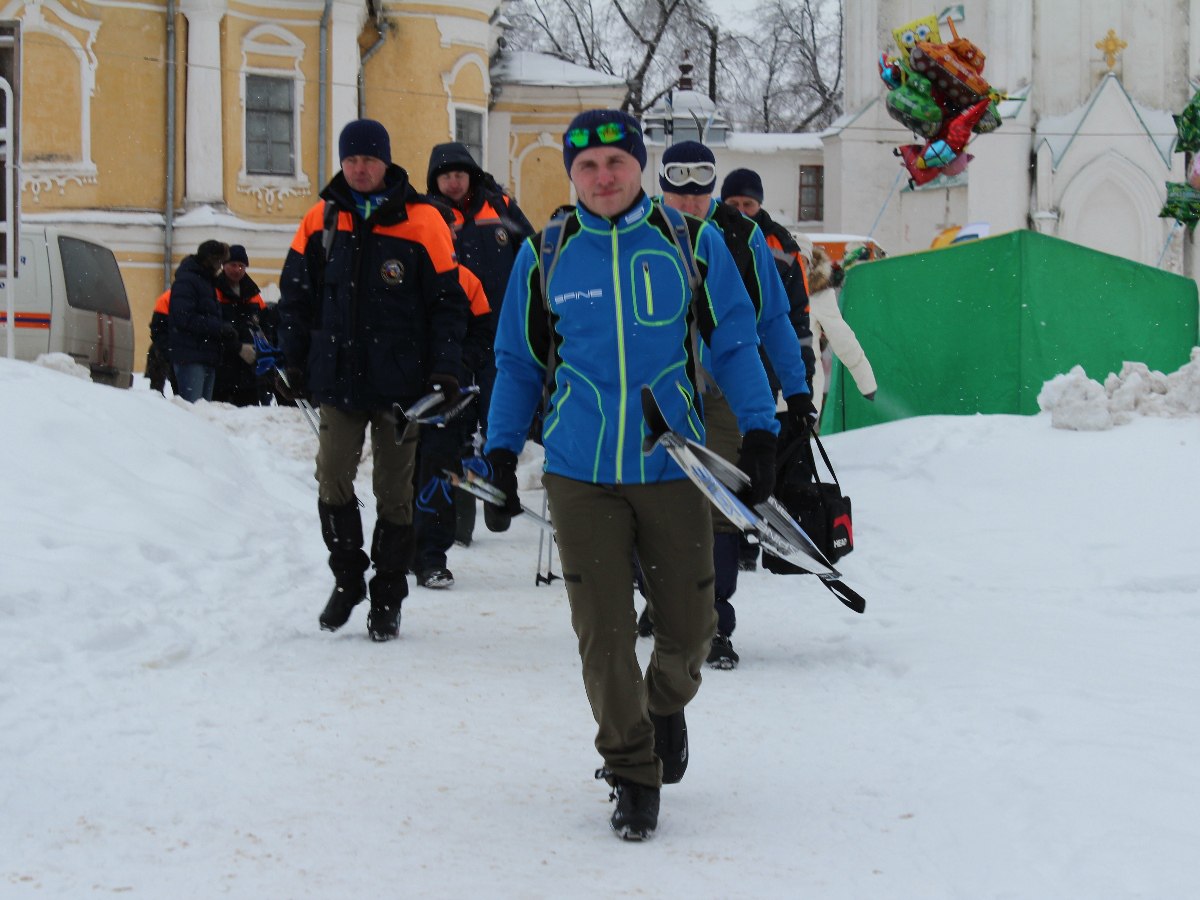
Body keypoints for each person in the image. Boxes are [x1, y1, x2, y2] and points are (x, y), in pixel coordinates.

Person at [483, 109, 780, 840]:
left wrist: (761, 429)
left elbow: (734, 342)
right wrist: (500, 451)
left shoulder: (689, 242)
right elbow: (518, 363)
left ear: (638, 166)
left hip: (672, 464)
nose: (602, 177)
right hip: (579, 471)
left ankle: (662, 706)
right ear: (572, 175)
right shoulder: (547, 253)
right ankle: (631, 771)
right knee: (605, 636)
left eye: (615, 162)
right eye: (587, 166)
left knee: (692, 631)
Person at [278, 118, 470, 642]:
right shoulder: (321, 218)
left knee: (393, 491)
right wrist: (292, 359)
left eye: (369, 159)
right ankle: (347, 577)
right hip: (337, 376)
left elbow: (447, 304)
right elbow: (295, 296)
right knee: (332, 474)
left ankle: (387, 593)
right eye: (351, 159)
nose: (360, 168)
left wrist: (446, 368)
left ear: (386, 161)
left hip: (402, 383)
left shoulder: (423, 220)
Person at [655, 141, 815, 671]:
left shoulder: (743, 237)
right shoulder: (638, 231)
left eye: (699, 192)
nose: (690, 202)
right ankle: (660, 599)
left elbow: (774, 320)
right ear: (662, 187)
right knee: (652, 501)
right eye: (679, 191)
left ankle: (714, 622)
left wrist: (796, 390)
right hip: (655, 390)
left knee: (719, 505)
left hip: (722, 389)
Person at [425, 141, 534, 541]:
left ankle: (498, 498)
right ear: (435, 181)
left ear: (471, 176)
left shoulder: (500, 207)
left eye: (460, 174)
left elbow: (531, 255)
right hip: (453, 337)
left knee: (499, 421)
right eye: (446, 176)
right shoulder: (427, 215)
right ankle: (459, 516)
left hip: (503, 332)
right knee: (454, 426)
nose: (454, 182)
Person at [721, 166, 818, 572]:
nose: (741, 209)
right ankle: (727, 534)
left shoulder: (780, 244)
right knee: (724, 450)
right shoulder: (709, 233)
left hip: (766, 363)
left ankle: (749, 537)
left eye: (748, 203)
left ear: (759, 204)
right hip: (722, 360)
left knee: (757, 452)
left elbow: (796, 316)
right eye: (734, 202)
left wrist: (802, 379)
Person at [410, 262, 493, 589]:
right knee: (399, 475)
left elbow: (484, 332)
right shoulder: (399, 264)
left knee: (438, 473)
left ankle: (432, 558)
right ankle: (398, 550)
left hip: (450, 395)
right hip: (399, 389)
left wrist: (459, 363)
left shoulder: (467, 280)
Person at [805, 241, 878, 416]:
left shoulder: (820, 293)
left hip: (804, 388)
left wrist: (866, 383)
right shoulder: (767, 286)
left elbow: (843, 339)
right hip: (767, 390)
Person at [168, 240, 236, 403]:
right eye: (219, 262)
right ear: (211, 260)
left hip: (204, 355)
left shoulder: (205, 282)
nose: (220, 267)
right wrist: (218, 328)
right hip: (191, 356)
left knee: (202, 411)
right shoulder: (189, 281)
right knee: (192, 410)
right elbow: (184, 317)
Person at [213, 244, 270, 407]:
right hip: (221, 368)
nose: (237, 269)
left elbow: (265, 326)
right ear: (224, 265)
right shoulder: (214, 290)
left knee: (249, 413)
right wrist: (236, 346)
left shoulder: (253, 294)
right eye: (233, 265)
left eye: (241, 266)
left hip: (249, 372)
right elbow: (214, 325)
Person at [145, 288, 177, 395]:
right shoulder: (168, 297)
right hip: (167, 349)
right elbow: (157, 328)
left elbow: (157, 328)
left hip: (166, 347)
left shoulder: (168, 297)